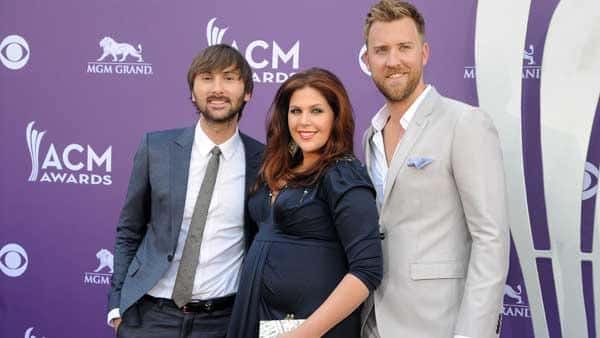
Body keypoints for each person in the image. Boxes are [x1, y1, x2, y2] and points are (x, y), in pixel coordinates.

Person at [360, 1, 509, 338]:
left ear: (423, 53)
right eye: (381, 50)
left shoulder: (465, 123)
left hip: (439, 324)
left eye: (404, 48)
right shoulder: (370, 134)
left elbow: (491, 239)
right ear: (367, 61)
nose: (393, 60)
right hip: (373, 323)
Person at [107, 44, 264, 337]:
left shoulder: (265, 161)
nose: (217, 88)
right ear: (193, 92)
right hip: (150, 316)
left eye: (229, 78)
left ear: (247, 92)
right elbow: (129, 229)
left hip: (223, 321)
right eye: (207, 78)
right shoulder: (156, 148)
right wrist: (117, 304)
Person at [227, 68, 383, 338]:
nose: (304, 121)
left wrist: (305, 333)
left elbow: (367, 270)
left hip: (313, 331)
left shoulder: (343, 173)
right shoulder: (272, 169)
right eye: (295, 111)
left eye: (317, 111)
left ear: (336, 116)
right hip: (254, 319)